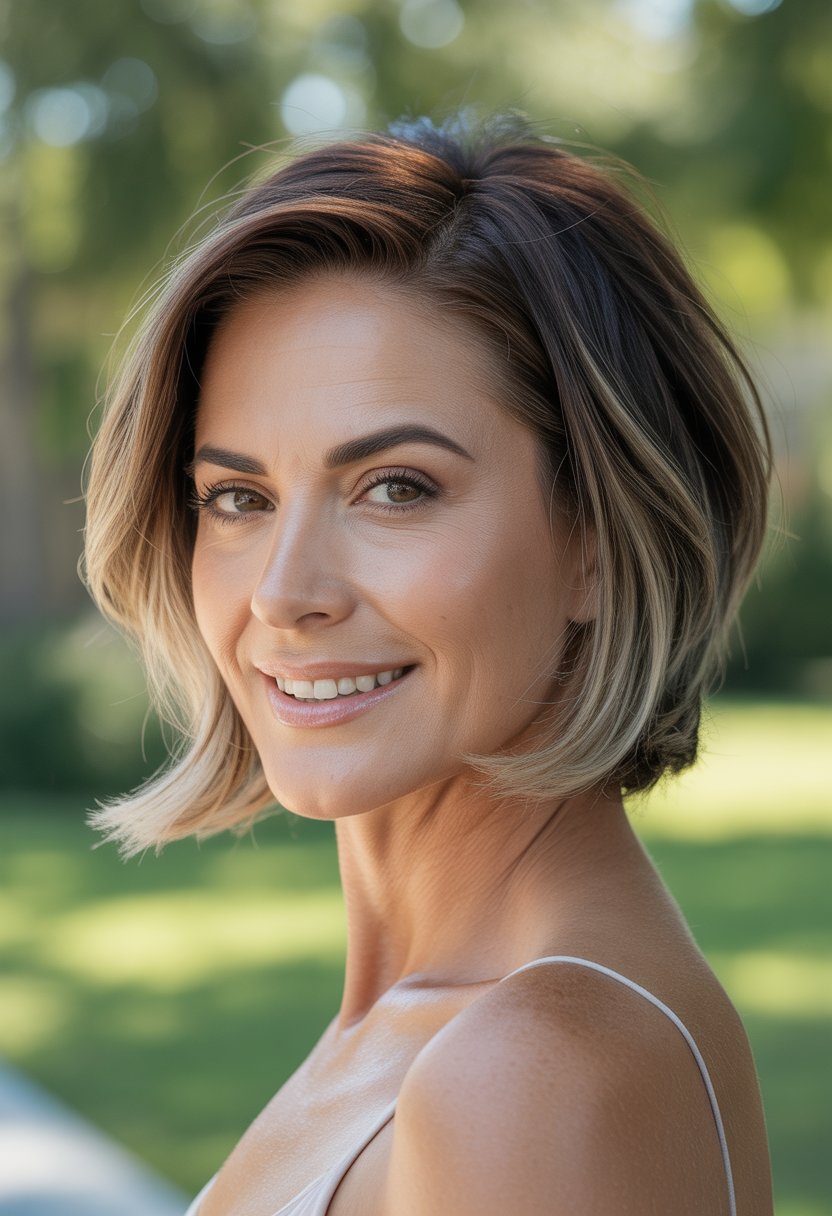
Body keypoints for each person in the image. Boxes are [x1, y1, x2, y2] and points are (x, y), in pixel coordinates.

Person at [83, 111, 774, 1215]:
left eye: (395, 487)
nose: (283, 592)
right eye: (239, 497)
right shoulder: (440, 1027)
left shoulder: (529, 1074)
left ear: (598, 540)